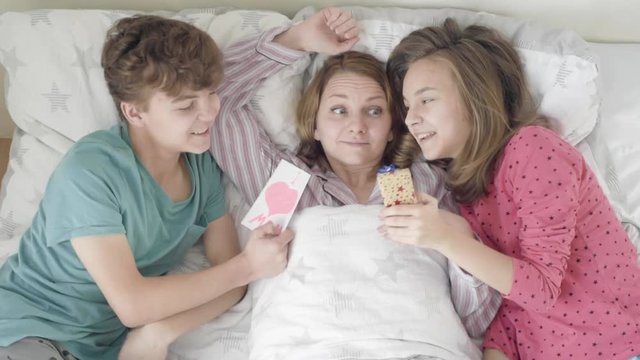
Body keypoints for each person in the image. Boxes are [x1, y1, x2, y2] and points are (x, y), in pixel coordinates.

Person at [211, 7, 501, 357]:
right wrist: (297, 40)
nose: (357, 125)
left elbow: (476, 317)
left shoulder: (426, 184)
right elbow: (215, 101)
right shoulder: (284, 182)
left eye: (374, 110)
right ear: (314, 124)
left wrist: (457, 240)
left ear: (394, 127)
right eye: (338, 109)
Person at [0, 15, 294, 360]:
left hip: (101, 348)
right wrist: (248, 265)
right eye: (186, 105)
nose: (209, 112)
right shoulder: (91, 172)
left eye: (211, 93)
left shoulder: (202, 169)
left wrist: (159, 332)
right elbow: (134, 304)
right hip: (28, 329)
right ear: (135, 113)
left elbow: (230, 283)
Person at [381, 18, 640, 360]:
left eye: (426, 100)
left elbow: (542, 290)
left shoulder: (533, 149)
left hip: (619, 346)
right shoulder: (465, 188)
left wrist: (448, 239)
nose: (412, 118)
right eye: (408, 106)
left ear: (475, 97)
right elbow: (512, 305)